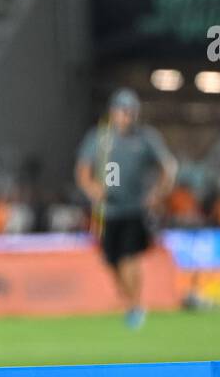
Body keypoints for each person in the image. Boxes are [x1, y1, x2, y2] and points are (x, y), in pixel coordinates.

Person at [75, 89, 177, 328]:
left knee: (130, 257)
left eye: (130, 112)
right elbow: (83, 170)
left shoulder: (145, 139)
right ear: (113, 113)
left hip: (134, 209)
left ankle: (135, 306)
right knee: (112, 260)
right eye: (122, 112)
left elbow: (167, 166)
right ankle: (129, 300)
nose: (126, 117)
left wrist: (158, 193)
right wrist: (92, 189)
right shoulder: (100, 138)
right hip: (108, 211)